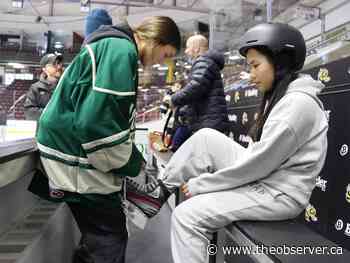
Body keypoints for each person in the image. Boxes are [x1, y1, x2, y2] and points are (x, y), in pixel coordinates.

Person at [126, 23, 329, 263]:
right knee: (205, 138)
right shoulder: (287, 97)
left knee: (187, 215)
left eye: (255, 65)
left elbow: (259, 165)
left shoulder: (298, 104)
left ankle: (157, 196)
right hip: (269, 178)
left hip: (278, 192)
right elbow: (262, 161)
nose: (251, 75)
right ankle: (157, 193)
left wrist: (203, 184)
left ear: (281, 62)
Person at [28, 15, 181, 263]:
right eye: (165, 54)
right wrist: (132, 165)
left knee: (101, 238)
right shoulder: (121, 50)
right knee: (109, 239)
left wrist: (134, 161)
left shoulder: (115, 47)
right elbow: (97, 125)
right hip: (72, 155)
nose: (160, 62)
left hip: (69, 149)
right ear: (155, 40)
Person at [165, 34, 230, 135]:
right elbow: (199, 95)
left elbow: (196, 87)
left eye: (187, 47)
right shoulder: (207, 62)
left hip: (209, 125)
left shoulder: (203, 61)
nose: (186, 51)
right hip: (210, 123)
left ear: (196, 48)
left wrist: (174, 99)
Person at [23, 53, 63, 120]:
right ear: (44, 69)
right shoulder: (36, 88)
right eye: (54, 64)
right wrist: (52, 115)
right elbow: (29, 112)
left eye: (59, 63)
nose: (58, 67)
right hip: (44, 129)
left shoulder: (67, 85)